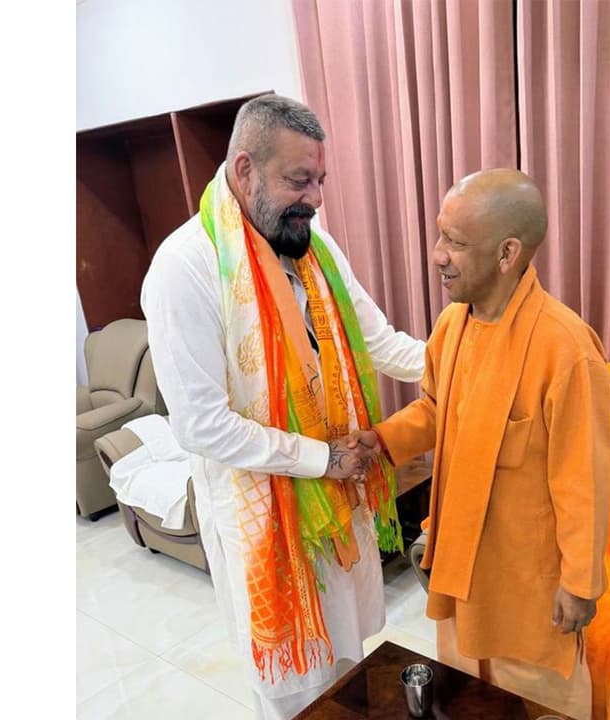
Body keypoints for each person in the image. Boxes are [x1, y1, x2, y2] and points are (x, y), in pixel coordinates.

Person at [140, 94, 425, 719]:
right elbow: (201, 425)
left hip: (334, 503)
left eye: (320, 179)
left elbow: (380, 343)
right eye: (300, 180)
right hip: (265, 521)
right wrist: (323, 459)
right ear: (245, 170)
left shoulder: (313, 248)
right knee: (295, 691)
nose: (316, 198)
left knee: (347, 665)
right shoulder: (185, 268)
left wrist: (471, 360)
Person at [352, 168, 610, 719]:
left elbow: (583, 480)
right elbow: (437, 409)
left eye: (455, 242)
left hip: (526, 578)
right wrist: (381, 440)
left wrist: (580, 583)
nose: (437, 255)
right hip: (459, 563)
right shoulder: (452, 326)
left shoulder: (565, 348)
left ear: (507, 254)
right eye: (440, 235)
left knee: (537, 701)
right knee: (466, 694)